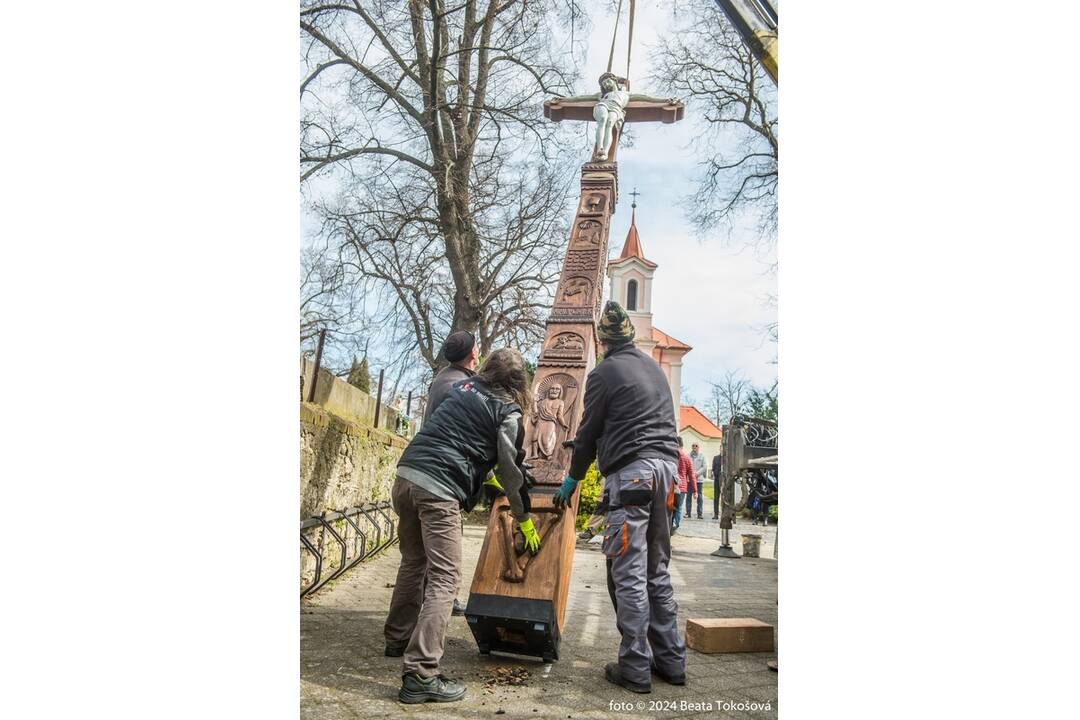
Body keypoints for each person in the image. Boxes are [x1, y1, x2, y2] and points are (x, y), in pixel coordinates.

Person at [384, 348, 538, 704]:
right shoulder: (508, 411)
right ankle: (421, 673)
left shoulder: (463, 389)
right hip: (439, 488)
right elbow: (510, 472)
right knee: (446, 578)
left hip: (407, 477)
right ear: (518, 383)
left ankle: (397, 639)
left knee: (413, 562)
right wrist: (524, 516)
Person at [553, 301, 685, 694]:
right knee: (656, 570)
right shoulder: (654, 370)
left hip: (633, 476)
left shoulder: (603, 373)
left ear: (602, 340)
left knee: (627, 571)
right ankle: (672, 662)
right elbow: (637, 421)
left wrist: (572, 478)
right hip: (667, 473)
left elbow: (590, 433)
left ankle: (634, 667)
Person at [423, 330, 481, 616]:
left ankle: (400, 631)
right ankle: (441, 604)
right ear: (473, 353)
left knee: (416, 558)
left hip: (424, 467)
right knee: (445, 560)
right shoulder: (462, 386)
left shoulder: (442, 379)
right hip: (443, 474)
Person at [673, 438, 695, 534]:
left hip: (670, 485)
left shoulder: (671, 456)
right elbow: (692, 476)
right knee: (679, 507)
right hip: (682, 487)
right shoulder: (687, 458)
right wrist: (695, 490)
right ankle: (676, 525)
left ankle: (670, 524)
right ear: (682, 445)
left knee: (668, 506)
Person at [690, 443, 707, 519]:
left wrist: (697, 473)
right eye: (693, 446)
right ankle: (688, 512)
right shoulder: (688, 456)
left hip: (699, 479)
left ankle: (699, 513)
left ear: (699, 447)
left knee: (699, 496)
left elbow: (704, 467)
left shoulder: (702, 456)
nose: (694, 447)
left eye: (696, 446)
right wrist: (691, 474)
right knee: (688, 496)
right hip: (689, 479)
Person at [711, 452, 723, 520]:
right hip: (717, 479)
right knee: (716, 497)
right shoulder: (716, 458)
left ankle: (724, 514)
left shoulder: (728, 458)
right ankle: (716, 514)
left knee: (725, 498)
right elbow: (713, 468)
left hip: (725, 480)